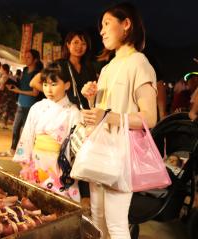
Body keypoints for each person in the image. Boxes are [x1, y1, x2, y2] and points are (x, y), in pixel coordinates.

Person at [81, 3, 158, 238]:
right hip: (100, 150)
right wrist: (91, 100)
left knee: (116, 223)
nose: (101, 31)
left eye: (107, 24)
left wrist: (107, 115)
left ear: (126, 24)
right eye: (100, 26)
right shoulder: (106, 69)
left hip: (121, 154)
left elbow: (149, 118)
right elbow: (102, 114)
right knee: (97, 218)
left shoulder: (140, 63)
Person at [13, 62, 90, 210]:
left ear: (67, 85)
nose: (48, 89)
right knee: (33, 205)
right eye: (46, 84)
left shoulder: (74, 113)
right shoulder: (37, 108)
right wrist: (25, 163)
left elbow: (76, 148)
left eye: (54, 84)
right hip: (36, 162)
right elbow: (27, 136)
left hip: (59, 166)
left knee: (57, 208)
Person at [30, 30, 97, 109]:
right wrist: (54, 95)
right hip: (65, 111)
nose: (79, 46)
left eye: (83, 44)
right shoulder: (60, 64)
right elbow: (34, 82)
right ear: (68, 45)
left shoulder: (89, 67)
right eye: (76, 42)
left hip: (86, 112)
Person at [2, 49, 42, 156]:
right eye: (25, 56)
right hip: (20, 103)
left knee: (27, 131)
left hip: (30, 106)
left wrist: (19, 91)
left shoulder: (37, 74)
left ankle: (25, 153)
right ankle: (13, 150)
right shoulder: (24, 70)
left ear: (35, 60)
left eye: (29, 57)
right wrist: (13, 85)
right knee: (15, 128)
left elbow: (35, 93)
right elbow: (22, 85)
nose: (26, 59)